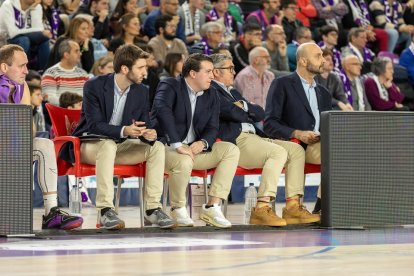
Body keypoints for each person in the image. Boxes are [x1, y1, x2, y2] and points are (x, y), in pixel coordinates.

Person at [62, 44, 175, 229]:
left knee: (157, 147)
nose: (145, 72)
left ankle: (153, 209)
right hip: (88, 146)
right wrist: (125, 130)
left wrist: (148, 134)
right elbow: (94, 125)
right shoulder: (94, 86)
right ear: (124, 68)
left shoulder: (141, 91)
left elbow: (142, 124)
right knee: (107, 145)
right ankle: (106, 210)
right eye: (140, 67)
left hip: (119, 146)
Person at [211, 53, 320, 226]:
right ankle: (261, 207)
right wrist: (243, 110)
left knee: (296, 150)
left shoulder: (232, 91)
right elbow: (231, 112)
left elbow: (259, 113)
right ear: (216, 72)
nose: (234, 72)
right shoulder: (211, 90)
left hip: (254, 137)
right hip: (235, 141)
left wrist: (244, 106)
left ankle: (292, 206)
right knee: (277, 152)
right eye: (230, 68)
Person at [151, 53, 240, 228]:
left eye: (213, 72)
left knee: (230, 150)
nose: (212, 76)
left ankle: (212, 206)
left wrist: (203, 143)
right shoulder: (170, 85)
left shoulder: (212, 93)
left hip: (194, 150)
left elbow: (213, 126)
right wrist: (177, 144)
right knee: (183, 160)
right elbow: (162, 111)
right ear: (193, 73)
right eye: (208, 72)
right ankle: (178, 208)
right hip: (166, 149)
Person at [0, 44, 83, 230]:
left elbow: (27, 131)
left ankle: (51, 212)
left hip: (10, 148)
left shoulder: (22, 88)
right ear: (4, 68)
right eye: (21, 66)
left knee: (44, 144)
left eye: (26, 65)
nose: (26, 71)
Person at [264, 42, 332, 214]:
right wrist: (297, 133)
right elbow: (270, 123)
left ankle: (321, 207)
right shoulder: (282, 84)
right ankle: (322, 209)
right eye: (318, 56)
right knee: (337, 155)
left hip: (321, 143)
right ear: (303, 61)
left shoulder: (324, 92)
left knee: (346, 153)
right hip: (296, 144)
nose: (323, 60)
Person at [0, 0, 51, 71]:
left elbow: (39, 31)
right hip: (7, 39)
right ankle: (17, 71)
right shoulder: (8, 4)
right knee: (24, 40)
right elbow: (13, 33)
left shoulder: (37, 6)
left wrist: (33, 9)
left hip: (28, 38)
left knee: (44, 39)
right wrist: (37, 31)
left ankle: (43, 73)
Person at [41, 39, 89, 105]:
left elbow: (89, 96)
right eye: (76, 51)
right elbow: (50, 99)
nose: (80, 54)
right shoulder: (51, 73)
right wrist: (73, 106)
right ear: (66, 55)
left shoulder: (83, 74)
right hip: (60, 113)